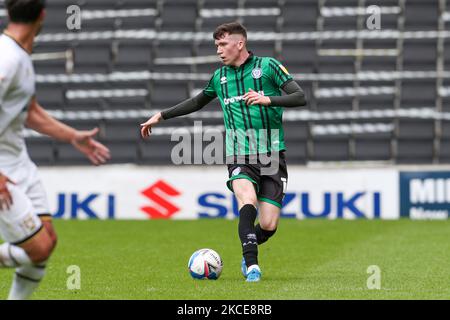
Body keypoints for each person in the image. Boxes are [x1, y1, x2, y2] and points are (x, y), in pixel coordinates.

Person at [140, 22, 306, 282]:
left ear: (240, 43)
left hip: (272, 154)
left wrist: (268, 99)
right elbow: (197, 102)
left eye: (223, 44)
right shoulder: (220, 78)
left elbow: (300, 96)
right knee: (247, 200)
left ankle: (247, 248)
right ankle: (252, 266)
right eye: (216, 45)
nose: (218, 50)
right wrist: (161, 116)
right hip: (239, 153)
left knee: (268, 225)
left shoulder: (269, 66)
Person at [0, 0, 111, 299]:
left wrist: (73, 136)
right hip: (2, 171)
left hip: (18, 163)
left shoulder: (20, 55)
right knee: (37, 247)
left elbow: (31, 111)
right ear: (42, 16)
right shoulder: (7, 59)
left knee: (46, 242)